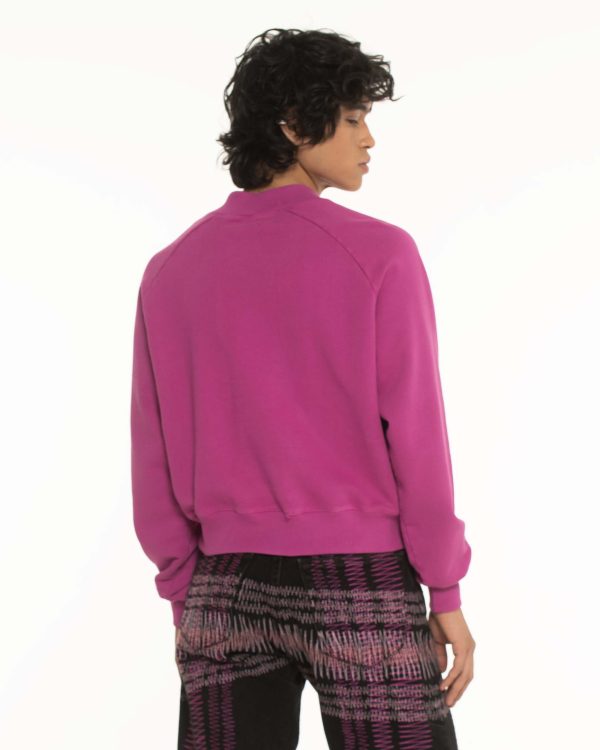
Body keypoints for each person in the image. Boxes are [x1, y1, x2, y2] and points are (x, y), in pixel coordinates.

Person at [130, 27, 475, 750]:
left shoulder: (170, 270)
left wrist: (187, 592)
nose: (369, 138)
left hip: (222, 585)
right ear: (293, 125)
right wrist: (443, 587)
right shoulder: (381, 254)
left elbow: (151, 454)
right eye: (352, 119)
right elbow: (417, 439)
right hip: (359, 582)